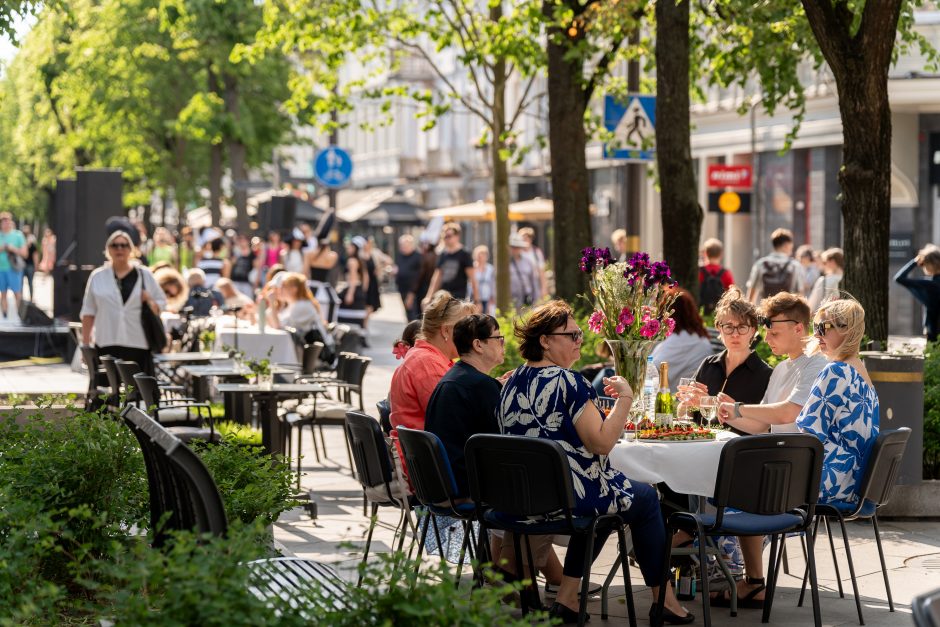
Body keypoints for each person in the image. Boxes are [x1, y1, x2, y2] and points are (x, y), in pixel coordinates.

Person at [498, 300, 693, 624]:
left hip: (520, 500)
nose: (579, 341)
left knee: (608, 495)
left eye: (579, 335)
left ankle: (569, 598)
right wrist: (626, 399)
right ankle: (665, 600)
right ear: (544, 340)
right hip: (565, 499)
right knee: (642, 498)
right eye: (571, 335)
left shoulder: (511, 381)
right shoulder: (568, 383)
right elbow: (602, 443)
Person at [709, 291, 827, 609]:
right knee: (724, 472)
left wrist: (740, 409)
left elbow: (789, 413)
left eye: (774, 331)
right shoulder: (781, 369)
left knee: (729, 480)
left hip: (797, 475)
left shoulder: (816, 366)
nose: (767, 337)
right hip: (777, 464)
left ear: (799, 328)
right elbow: (761, 427)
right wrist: (730, 415)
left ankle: (688, 544)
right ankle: (753, 582)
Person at [796, 298, 879, 510]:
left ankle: (725, 541)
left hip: (831, 482)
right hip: (857, 484)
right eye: (815, 327)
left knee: (750, 489)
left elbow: (808, 431)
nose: (816, 334)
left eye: (823, 327)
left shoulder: (837, 371)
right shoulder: (862, 374)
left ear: (847, 330)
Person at [680, 286, 773, 432]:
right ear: (719, 328)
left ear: (753, 330)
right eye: (728, 327)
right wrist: (688, 403)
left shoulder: (765, 374)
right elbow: (683, 414)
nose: (735, 334)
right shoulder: (708, 364)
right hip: (701, 448)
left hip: (739, 451)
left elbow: (763, 429)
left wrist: (710, 404)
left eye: (742, 327)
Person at [80, 230, 166, 377]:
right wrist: (86, 345)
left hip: (137, 342)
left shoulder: (144, 275)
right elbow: (88, 313)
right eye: (115, 245)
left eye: (124, 245)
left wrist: (149, 300)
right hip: (107, 340)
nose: (119, 249)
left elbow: (161, 303)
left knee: (138, 393)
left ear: (131, 249)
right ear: (108, 250)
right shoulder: (98, 276)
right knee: (107, 394)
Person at [388, 291, 475, 436]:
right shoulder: (427, 363)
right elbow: (452, 419)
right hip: (425, 456)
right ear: (446, 331)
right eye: (465, 330)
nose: (471, 336)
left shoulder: (429, 358)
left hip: (426, 452)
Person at [650, 290, 716, 392]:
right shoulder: (701, 339)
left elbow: (651, 371)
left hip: (673, 399)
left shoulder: (677, 340)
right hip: (692, 396)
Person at [424, 222, 480, 308]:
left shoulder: (464, 254)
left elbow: (472, 278)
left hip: (459, 299)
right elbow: (437, 277)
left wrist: (477, 300)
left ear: (457, 236)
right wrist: (428, 297)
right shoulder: (443, 254)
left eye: (449, 236)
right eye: (444, 236)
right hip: (443, 297)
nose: (446, 239)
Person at [894, 243, 940, 342]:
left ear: (930, 264)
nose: (922, 267)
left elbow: (899, 278)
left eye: (923, 264)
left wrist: (914, 262)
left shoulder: (929, 284)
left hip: (934, 330)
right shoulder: (930, 283)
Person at [746, 228, 804, 303]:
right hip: (787, 312)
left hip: (765, 311)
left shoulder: (760, 264)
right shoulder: (795, 266)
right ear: (787, 245)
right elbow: (800, 294)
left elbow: (751, 293)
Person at [305, 238, 340, 324]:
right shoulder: (331, 256)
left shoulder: (310, 255)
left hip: (312, 286)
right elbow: (333, 255)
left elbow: (305, 271)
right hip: (325, 288)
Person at [0, 212, 28, 319]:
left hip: (14, 269)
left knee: (17, 293)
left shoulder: (18, 235)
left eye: (8, 222)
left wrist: (13, 249)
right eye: (4, 222)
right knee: (3, 294)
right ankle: (5, 316)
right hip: (1, 269)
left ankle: (20, 317)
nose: (6, 224)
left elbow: (25, 254)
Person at [336, 239, 369, 329]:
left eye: (350, 247)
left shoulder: (352, 261)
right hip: (358, 290)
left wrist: (350, 294)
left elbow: (353, 279)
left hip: (352, 290)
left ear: (355, 248)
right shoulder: (360, 260)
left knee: (346, 322)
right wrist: (362, 291)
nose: (348, 249)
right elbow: (366, 278)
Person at [698, 238, 734, 315]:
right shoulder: (726, 273)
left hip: (701, 311)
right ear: (721, 254)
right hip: (720, 313)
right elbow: (732, 294)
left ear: (705, 253)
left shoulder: (699, 271)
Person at [508, 234, 541, 309]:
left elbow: (534, 282)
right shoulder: (504, 264)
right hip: (510, 300)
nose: (515, 249)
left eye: (517, 247)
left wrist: (536, 300)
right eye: (513, 247)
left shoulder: (528, 262)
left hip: (526, 299)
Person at [394, 234, 422, 322]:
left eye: (405, 245)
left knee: (413, 314)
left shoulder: (418, 257)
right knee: (407, 313)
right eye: (402, 246)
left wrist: (411, 293)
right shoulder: (400, 256)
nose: (403, 248)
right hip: (402, 288)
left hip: (413, 291)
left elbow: (418, 277)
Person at [807, 247, 844, 313]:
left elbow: (812, 305)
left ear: (832, 262)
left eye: (825, 262)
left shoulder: (823, 281)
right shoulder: (849, 280)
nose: (823, 265)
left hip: (827, 320)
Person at [518, 226, 548, 300]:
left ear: (531, 239)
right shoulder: (518, 252)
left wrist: (544, 288)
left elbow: (541, 272)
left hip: (534, 284)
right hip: (521, 284)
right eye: (523, 238)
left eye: (527, 238)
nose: (525, 240)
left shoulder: (536, 252)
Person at [472, 245, 495, 315]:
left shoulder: (490, 269)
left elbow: (492, 284)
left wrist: (492, 298)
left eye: (484, 254)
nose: (481, 256)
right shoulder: (472, 268)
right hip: (473, 297)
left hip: (486, 298)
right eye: (479, 254)